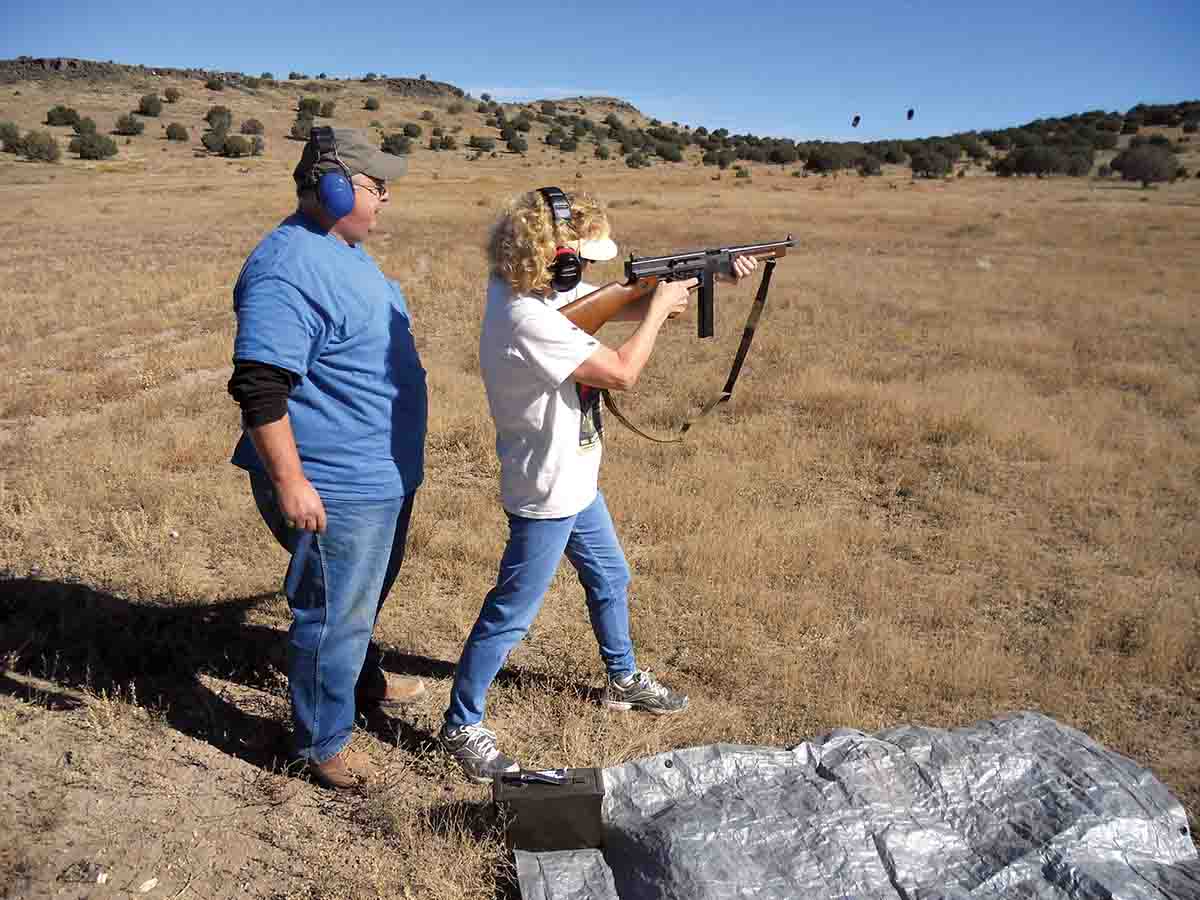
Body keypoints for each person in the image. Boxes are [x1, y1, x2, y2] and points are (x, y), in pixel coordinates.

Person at [439, 188, 757, 782]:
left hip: (575, 477)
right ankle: (461, 724)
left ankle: (622, 678)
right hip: (547, 489)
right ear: (552, 257)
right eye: (578, 261)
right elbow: (623, 371)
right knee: (511, 612)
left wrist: (706, 279)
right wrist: (658, 307)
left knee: (611, 574)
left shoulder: (532, 290)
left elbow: (604, 305)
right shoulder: (524, 317)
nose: (585, 272)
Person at [226, 127, 428, 790]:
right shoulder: (287, 268)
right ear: (335, 186)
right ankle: (322, 744)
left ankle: (361, 683)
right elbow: (259, 386)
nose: (387, 197)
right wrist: (292, 483)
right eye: (376, 185)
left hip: (378, 476)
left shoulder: (340, 247)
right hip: (334, 484)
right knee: (332, 612)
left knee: (357, 602)